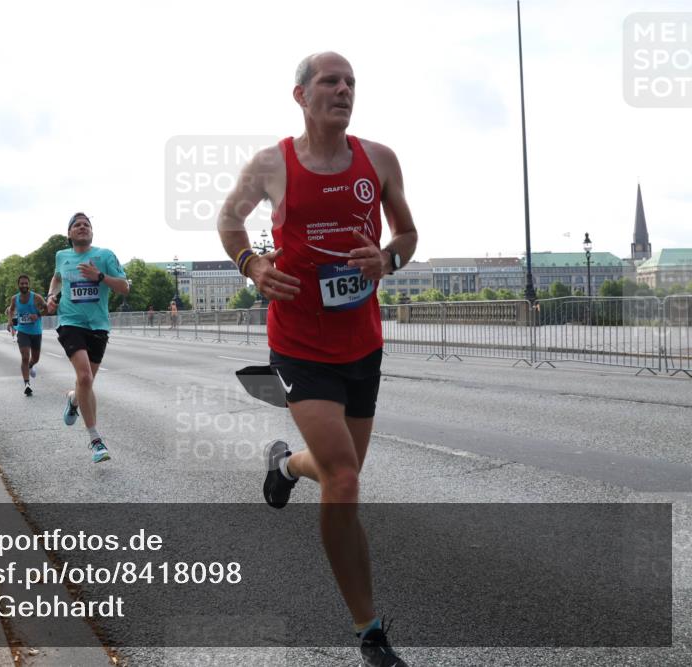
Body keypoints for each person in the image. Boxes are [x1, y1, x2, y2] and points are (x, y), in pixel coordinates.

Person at [217, 52, 418, 667]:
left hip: (362, 340)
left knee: (340, 470)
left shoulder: (378, 160)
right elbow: (229, 219)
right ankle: (369, 628)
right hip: (300, 342)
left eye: (351, 82)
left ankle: (285, 465)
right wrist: (253, 265)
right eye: (331, 81)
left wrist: (388, 260)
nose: (343, 90)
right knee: (347, 478)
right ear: (300, 94)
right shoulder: (273, 163)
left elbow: (407, 235)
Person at [47, 212, 128, 463]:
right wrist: (51, 296)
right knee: (84, 376)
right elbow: (57, 278)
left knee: (86, 383)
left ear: (91, 232)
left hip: (98, 325)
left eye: (86, 225)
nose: (82, 227)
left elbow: (125, 287)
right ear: (70, 234)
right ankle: (95, 441)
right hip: (70, 322)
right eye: (77, 225)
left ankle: (73, 399)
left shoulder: (105, 256)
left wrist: (100, 277)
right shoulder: (62, 256)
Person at [7, 274, 47, 396]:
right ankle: (27, 384)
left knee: (35, 358)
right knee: (25, 356)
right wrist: (10, 321)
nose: (24, 285)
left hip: (36, 332)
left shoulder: (36, 298)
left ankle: (30, 365)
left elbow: (47, 309)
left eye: (26, 283)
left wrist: (38, 315)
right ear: (18, 285)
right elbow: (11, 309)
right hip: (23, 331)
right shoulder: (15, 298)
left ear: (29, 284)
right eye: (22, 283)